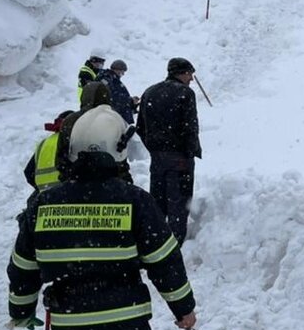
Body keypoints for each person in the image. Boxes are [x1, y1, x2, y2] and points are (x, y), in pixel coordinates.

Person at [7, 107, 197, 330]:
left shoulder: (43, 204)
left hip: (70, 327)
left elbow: (23, 266)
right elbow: (164, 261)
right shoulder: (134, 200)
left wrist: (20, 309)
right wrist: (184, 309)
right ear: (117, 149)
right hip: (125, 325)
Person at [137, 58, 202, 243]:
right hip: (180, 157)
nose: (191, 79)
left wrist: (154, 148)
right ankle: (175, 245)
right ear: (181, 73)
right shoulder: (185, 93)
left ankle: (156, 241)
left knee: (158, 202)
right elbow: (190, 127)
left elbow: (140, 127)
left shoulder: (149, 92)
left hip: (157, 158)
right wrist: (189, 152)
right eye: (190, 74)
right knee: (179, 204)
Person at [57, 81, 133, 185]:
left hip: (76, 180)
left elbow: (61, 155)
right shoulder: (113, 119)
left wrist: (67, 177)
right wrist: (125, 182)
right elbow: (121, 158)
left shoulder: (70, 121)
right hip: (111, 183)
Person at [23, 110, 74, 194]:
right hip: (65, 193)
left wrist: (42, 189)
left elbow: (29, 172)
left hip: (45, 195)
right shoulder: (70, 139)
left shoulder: (44, 143)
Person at [99, 60, 137, 124]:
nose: (123, 74)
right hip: (113, 117)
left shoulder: (114, 79)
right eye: (122, 72)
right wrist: (130, 100)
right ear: (117, 70)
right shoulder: (108, 79)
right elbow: (113, 97)